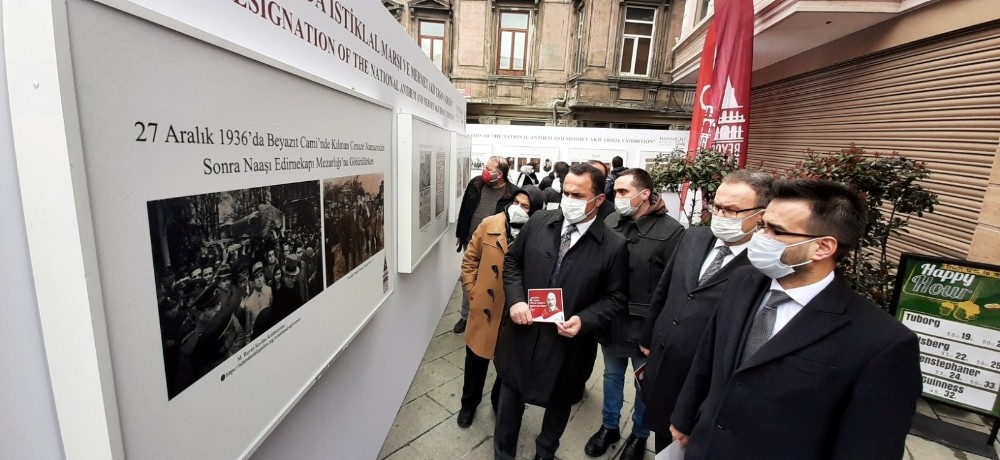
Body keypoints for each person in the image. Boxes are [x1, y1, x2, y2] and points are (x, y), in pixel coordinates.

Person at [669, 178, 921, 460]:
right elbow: (708, 356)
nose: (761, 237)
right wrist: (684, 416)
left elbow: (869, 446)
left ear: (823, 247)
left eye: (776, 231)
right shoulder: (742, 281)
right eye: (763, 225)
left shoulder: (882, 342)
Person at [493, 163, 629, 460]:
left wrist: (585, 319)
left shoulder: (614, 246)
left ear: (598, 200)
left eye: (577, 195)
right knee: (510, 397)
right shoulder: (539, 221)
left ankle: (545, 452)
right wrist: (516, 300)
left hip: (568, 342)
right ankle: (503, 454)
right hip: (523, 330)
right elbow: (513, 263)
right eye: (565, 191)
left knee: (560, 401)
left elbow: (616, 297)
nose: (568, 199)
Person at [638, 168, 771, 452]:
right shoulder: (693, 238)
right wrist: (648, 337)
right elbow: (664, 289)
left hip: (707, 378)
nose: (721, 216)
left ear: (761, 214)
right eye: (717, 206)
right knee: (662, 432)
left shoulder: (763, 267)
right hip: (665, 359)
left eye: (732, 211)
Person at [586, 168, 683, 460]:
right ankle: (609, 426)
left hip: (645, 326)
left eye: (623, 192)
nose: (617, 198)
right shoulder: (612, 221)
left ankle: (639, 435)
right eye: (615, 191)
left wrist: (658, 331)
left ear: (644, 194)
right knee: (612, 375)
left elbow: (673, 288)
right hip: (612, 318)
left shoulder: (672, 231)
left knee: (644, 383)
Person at [457, 185, 544, 429]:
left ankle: (499, 401)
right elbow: (470, 259)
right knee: (475, 360)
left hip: (514, 311)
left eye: (525, 206)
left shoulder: (539, 233)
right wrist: (472, 291)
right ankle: (468, 403)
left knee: (507, 364)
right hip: (484, 306)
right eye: (515, 202)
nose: (517, 208)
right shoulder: (490, 223)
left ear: (535, 211)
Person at [454, 156, 519, 334]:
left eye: (488, 168)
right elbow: (465, 208)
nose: (484, 170)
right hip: (471, 241)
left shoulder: (512, 193)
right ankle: (466, 316)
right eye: (484, 166)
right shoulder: (476, 184)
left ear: (499, 174)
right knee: (468, 277)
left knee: (493, 281)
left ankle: (493, 318)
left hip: (495, 246)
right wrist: (460, 233)